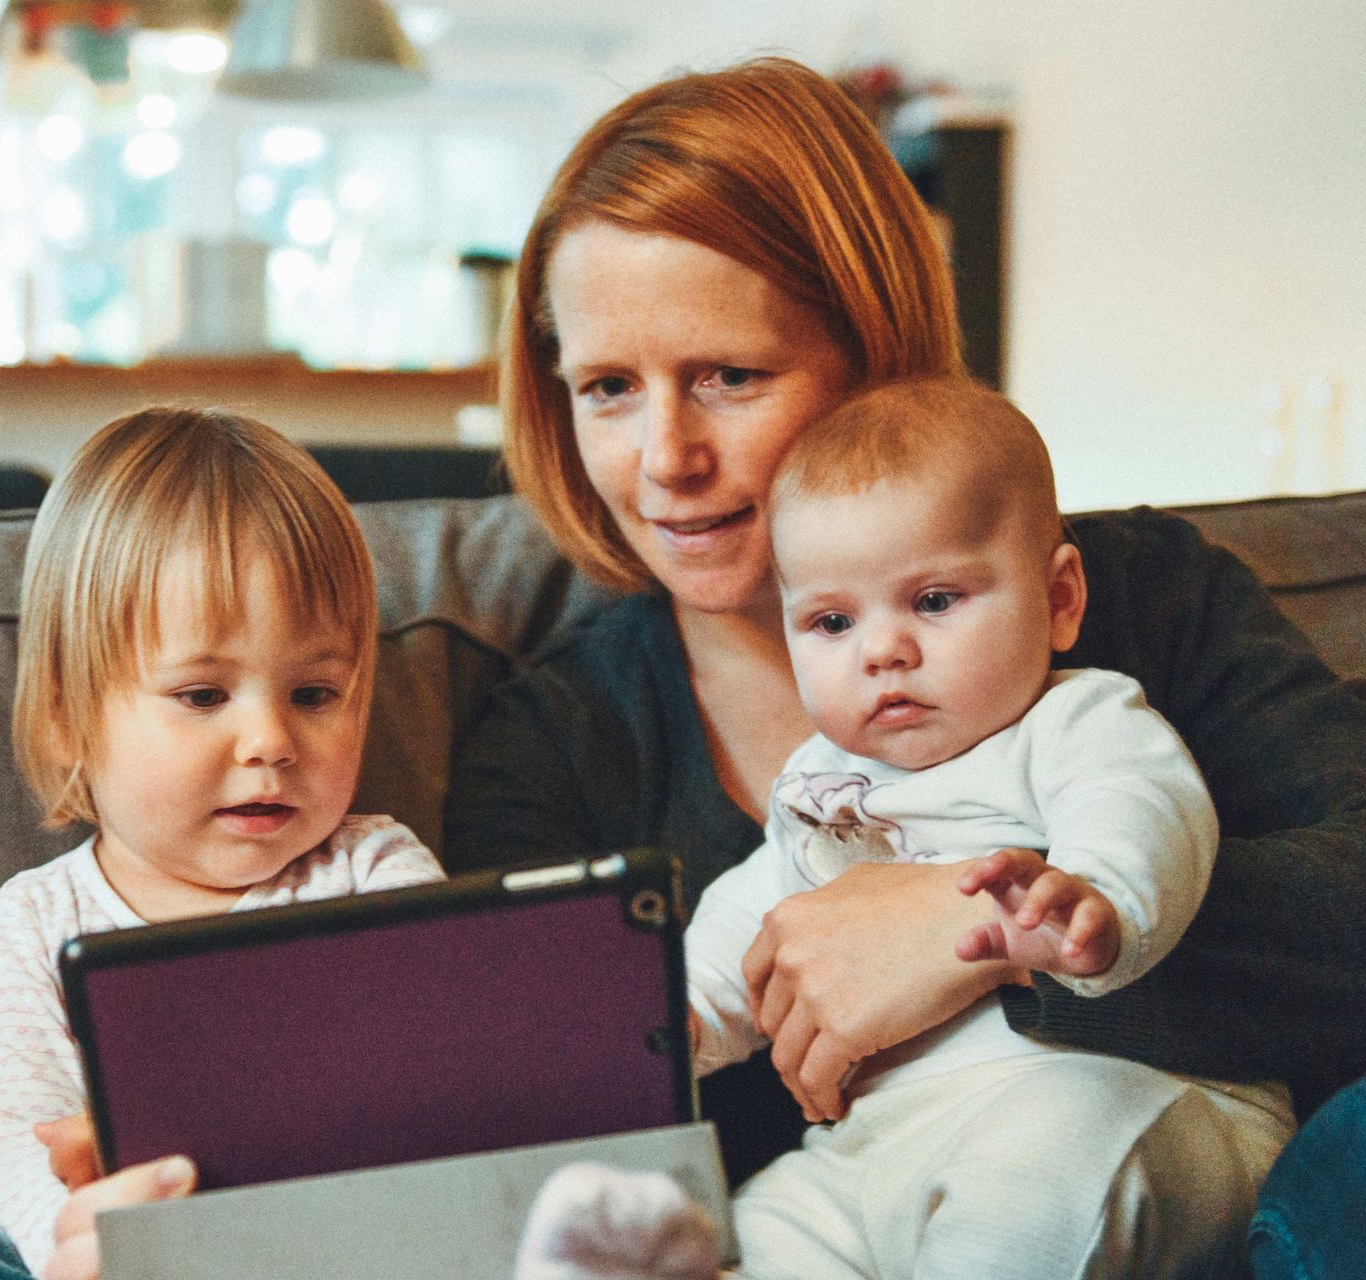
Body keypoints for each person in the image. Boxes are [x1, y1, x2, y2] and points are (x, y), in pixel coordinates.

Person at [442, 53, 1366, 1271]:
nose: (667, 456)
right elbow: (549, 1089)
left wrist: (965, 928)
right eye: (610, 387)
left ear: (872, 352)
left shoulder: (1140, 600)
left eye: (729, 376)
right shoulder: (556, 741)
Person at [0, 406, 443, 1280]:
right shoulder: (18, 944)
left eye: (315, 694)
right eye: (202, 695)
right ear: (69, 719)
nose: (270, 741)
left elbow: (441, 1133)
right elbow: (24, 1210)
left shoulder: (381, 880)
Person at [670, 376, 1288, 1276]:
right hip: (882, 1142)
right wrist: (676, 1018)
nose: (883, 650)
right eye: (833, 621)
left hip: (1113, 1099)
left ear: (1060, 600)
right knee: (766, 1227)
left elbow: (1142, 806)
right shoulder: (819, 783)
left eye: (933, 601)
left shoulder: (1074, 721)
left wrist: (1096, 898)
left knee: (1029, 1193)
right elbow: (755, 919)